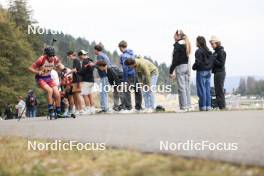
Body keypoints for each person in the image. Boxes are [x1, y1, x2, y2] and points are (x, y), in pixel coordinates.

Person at [28, 47, 65, 118]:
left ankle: (58, 111)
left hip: (48, 78)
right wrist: (37, 72)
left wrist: (64, 68)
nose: (51, 58)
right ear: (46, 55)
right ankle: (50, 109)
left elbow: (60, 65)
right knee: (50, 91)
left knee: (57, 94)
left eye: (53, 56)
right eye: (50, 56)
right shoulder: (41, 59)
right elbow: (30, 68)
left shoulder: (55, 58)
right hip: (40, 78)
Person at [169, 30, 192, 112]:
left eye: (174, 35)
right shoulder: (185, 44)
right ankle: (189, 105)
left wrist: (171, 70)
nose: (173, 36)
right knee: (186, 87)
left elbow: (175, 60)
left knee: (181, 88)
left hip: (180, 67)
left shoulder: (177, 45)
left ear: (178, 36)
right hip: (186, 66)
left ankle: (184, 107)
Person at [118, 40, 142, 111]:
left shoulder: (123, 56)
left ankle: (129, 108)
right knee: (137, 90)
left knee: (126, 91)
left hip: (128, 75)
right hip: (135, 73)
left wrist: (125, 80)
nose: (119, 49)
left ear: (121, 47)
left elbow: (125, 68)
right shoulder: (132, 53)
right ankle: (138, 107)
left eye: (119, 48)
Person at [192, 36, 214, 111]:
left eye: (196, 41)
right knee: (207, 89)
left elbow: (198, 63)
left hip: (201, 71)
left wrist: (193, 67)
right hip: (209, 72)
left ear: (199, 42)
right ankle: (208, 106)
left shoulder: (198, 51)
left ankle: (203, 107)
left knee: (201, 90)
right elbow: (212, 61)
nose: (195, 43)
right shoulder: (209, 51)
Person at [94, 43, 112, 113]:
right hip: (107, 75)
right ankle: (105, 107)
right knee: (105, 92)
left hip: (104, 76)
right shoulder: (104, 55)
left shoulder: (99, 56)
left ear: (96, 50)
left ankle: (105, 108)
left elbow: (102, 67)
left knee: (103, 92)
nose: (94, 51)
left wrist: (93, 65)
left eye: (94, 50)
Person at [210, 36, 227, 110]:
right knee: (217, 90)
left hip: (220, 73)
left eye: (212, 43)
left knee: (220, 90)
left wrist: (213, 59)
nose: (211, 45)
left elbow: (221, 64)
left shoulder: (221, 52)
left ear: (217, 43)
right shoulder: (215, 52)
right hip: (216, 73)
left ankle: (222, 106)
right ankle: (220, 106)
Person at [67, 51, 85, 115]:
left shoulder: (76, 60)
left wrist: (67, 73)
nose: (69, 58)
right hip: (76, 80)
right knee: (75, 95)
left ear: (71, 55)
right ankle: (77, 109)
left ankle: (81, 109)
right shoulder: (76, 60)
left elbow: (74, 70)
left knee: (78, 95)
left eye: (69, 56)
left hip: (78, 80)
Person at [78, 50, 96, 114]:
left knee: (84, 94)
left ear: (80, 56)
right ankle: (92, 108)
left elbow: (83, 71)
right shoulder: (90, 60)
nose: (81, 57)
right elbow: (92, 69)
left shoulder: (85, 61)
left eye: (83, 55)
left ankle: (88, 108)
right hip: (91, 80)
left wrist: (77, 71)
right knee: (89, 94)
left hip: (87, 80)